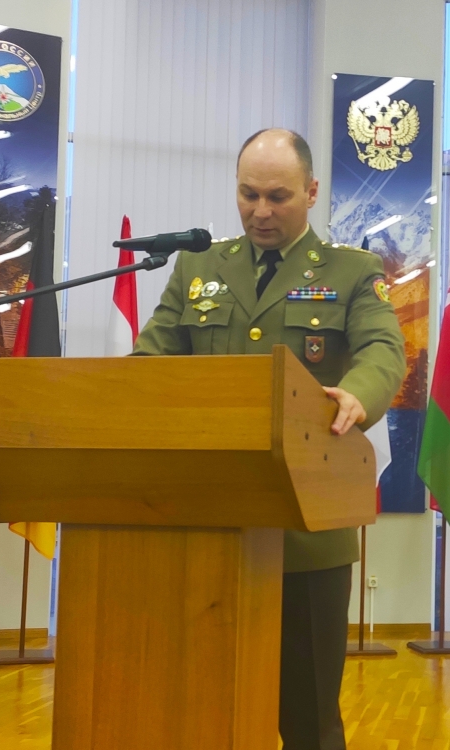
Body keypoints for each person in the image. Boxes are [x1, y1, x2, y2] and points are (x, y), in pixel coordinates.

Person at [132, 129, 406, 750]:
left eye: (277, 196)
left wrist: (358, 394)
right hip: (207, 524)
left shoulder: (353, 271)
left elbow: (382, 350)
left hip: (307, 532)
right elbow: (152, 360)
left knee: (309, 720)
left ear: (311, 192)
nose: (260, 211)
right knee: (204, 713)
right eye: (248, 194)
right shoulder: (198, 265)